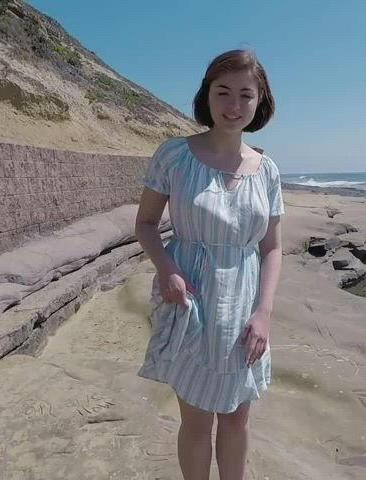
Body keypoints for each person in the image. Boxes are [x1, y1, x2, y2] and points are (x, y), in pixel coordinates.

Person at [134, 48, 284, 480]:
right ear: (207, 95)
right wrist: (167, 269)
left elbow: (272, 247)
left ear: (260, 101)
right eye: (223, 92)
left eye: (245, 94)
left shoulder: (267, 170)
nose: (234, 105)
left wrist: (264, 313)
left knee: (237, 419)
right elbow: (145, 224)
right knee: (197, 421)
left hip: (244, 308)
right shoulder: (174, 155)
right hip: (191, 303)